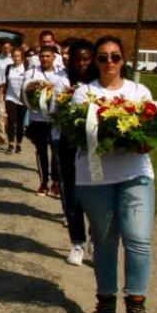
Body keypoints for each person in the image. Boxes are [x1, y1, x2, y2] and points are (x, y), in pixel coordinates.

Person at [73, 35, 157, 313]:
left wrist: (143, 140)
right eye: (103, 57)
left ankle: (136, 307)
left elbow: (150, 129)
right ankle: (106, 306)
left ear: (123, 60)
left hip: (136, 174)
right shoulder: (84, 94)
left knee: (139, 239)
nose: (109, 62)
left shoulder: (139, 91)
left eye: (115, 56)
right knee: (106, 241)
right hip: (96, 178)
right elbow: (81, 134)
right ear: (95, 62)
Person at [58, 39, 97, 266]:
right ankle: (77, 242)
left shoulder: (99, 84)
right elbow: (53, 110)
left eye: (86, 59)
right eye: (77, 60)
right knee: (72, 194)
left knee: (95, 193)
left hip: (94, 145)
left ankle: (95, 237)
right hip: (69, 142)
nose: (82, 63)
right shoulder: (63, 81)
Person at [23, 45, 68, 197]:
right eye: (42, 56)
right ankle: (43, 182)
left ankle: (55, 181)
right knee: (41, 150)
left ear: (54, 58)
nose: (44, 59)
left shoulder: (60, 74)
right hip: (38, 117)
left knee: (56, 150)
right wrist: (34, 87)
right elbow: (24, 92)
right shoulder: (31, 72)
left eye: (48, 56)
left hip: (55, 118)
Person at [3, 49, 28, 153]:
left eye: (18, 56)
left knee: (20, 122)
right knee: (11, 120)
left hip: (22, 98)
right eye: (14, 56)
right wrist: (2, 95)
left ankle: (19, 144)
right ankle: (11, 144)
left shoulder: (26, 67)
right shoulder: (9, 68)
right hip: (10, 96)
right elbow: (5, 82)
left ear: (22, 57)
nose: (16, 58)